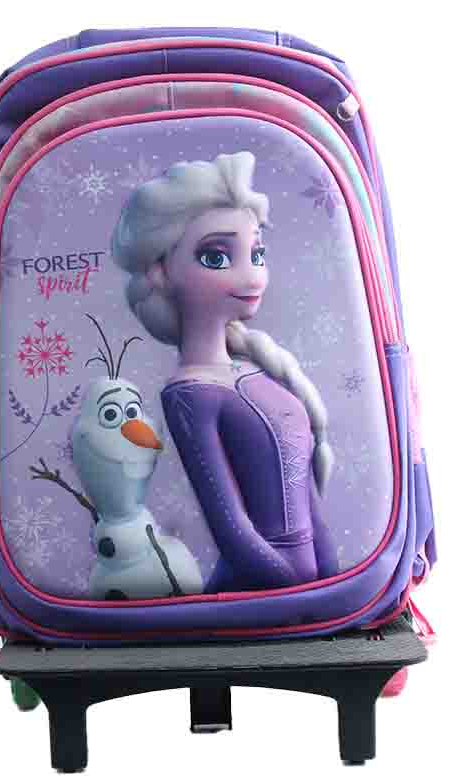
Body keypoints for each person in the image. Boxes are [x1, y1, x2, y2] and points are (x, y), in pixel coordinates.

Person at [111, 151, 337, 592]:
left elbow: (308, 503)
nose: (252, 275)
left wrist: (336, 584)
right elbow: (232, 531)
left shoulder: (253, 369)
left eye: (257, 253)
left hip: (306, 592)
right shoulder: (190, 394)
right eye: (215, 256)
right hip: (257, 591)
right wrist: (302, 593)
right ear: (160, 272)